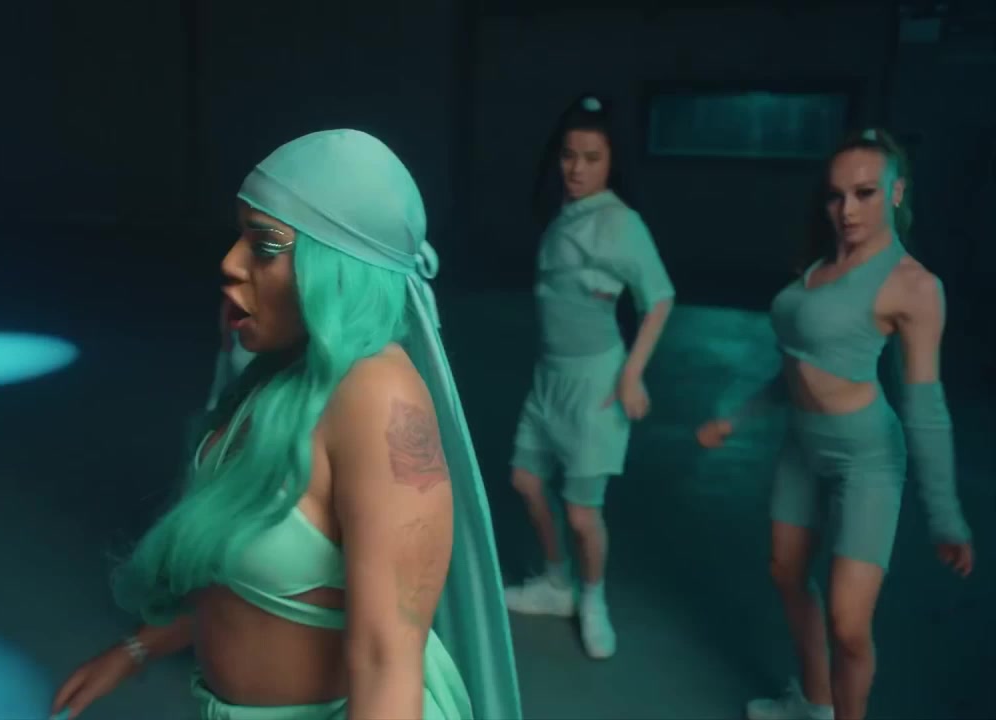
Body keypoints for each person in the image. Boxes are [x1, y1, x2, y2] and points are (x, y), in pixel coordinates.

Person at [51, 129, 522, 720]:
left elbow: (386, 665)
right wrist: (137, 649)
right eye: (240, 238)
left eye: (265, 245)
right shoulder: (278, 375)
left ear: (338, 269)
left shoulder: (376, 397)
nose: (229, 263)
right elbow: (244, 571)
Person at [697, 128, 975, 720]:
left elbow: (926, 408)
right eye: (835, 195)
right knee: (786, 573)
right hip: (802, 445)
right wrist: (735, 417)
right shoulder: (819, 265)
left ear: (896, 191)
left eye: (865, 193)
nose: (847, 210)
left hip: (867, 459)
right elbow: (796, 368)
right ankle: (814, 701)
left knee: (850, 624)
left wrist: (945, 515)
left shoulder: (915, 286)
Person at [502, 93, 675, 660]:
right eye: (569, 155)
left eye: (592, 158)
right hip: (548, 376)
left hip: (596, 382)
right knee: (526, 481)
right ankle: (557, 582)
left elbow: (659, 298)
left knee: (582, 513)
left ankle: (593, 598)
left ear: (612, 162)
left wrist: (632, 374)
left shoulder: (621, 223)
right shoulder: (564, 215)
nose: (576, 169)